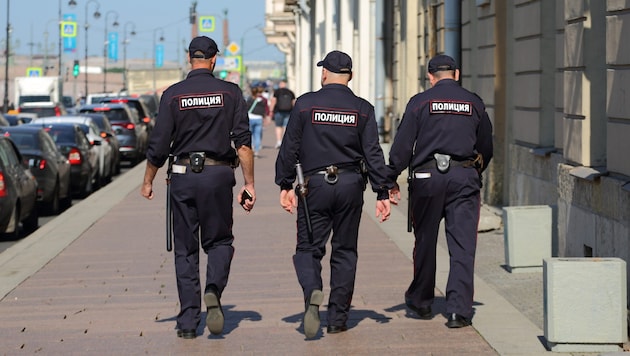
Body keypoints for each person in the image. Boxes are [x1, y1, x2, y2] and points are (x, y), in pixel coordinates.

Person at [140, 36, 256, 339]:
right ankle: (214, 289)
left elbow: (159, 144)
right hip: (218, 176)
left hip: (182, 177)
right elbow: (243, 145)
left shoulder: (173, 95)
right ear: (215, 59)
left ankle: (188, 323)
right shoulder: (230, 93)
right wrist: (250, 184)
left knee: (185, 250)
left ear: (189, 58)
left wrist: (148, 180)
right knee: (219, 242)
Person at [275, 50, 392, 338]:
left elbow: (289, 148)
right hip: (351, 185)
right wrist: (382, 191)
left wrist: (285, 184)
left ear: (324, 73)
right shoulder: (363, 109)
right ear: (350, 76)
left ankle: (313, 290)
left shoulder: (305, 105)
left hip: (313, 186)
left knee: (307, 249)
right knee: (345, 251)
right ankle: (338, 318)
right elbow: (373, 153)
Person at [387, 54, 493, 328]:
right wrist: (472, 171)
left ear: (430, 77)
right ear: (456, 74)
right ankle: (458, 311)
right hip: (464, 177)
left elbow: (402, 146)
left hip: (426, 177)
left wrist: (390, 179)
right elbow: (486, 145)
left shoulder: (419, 102)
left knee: (425, 240)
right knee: (463, 245)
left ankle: (422, 302)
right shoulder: (474, 102)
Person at [270, 80, 296, 148]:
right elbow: (293, 102)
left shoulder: (277, 92)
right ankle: (285, 142)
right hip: (288, 111)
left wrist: (271, 110)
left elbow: (273, 101)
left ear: (280, 84)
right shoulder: (290, 92)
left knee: (278, 127)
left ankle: (279, 142)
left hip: (278, 111)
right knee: (286, 127)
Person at [246, 85, 269, 157]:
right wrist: (266, 117)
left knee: (251, 134)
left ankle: (252, 147)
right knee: (257, 135)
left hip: (250, 118)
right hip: (259, 118)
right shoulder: (264, 100)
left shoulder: (249, 99)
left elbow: (246, 108)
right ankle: (257, 150)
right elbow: (265, 109)